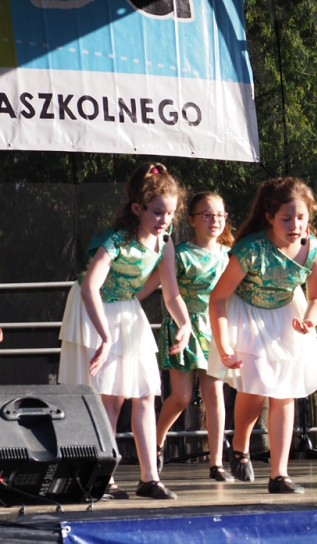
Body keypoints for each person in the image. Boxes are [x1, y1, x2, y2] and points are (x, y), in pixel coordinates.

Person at [58, 162, 191, 500]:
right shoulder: (116, 240)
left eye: (170, 213)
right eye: (157, 212)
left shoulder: (165, 243)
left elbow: (171, 293)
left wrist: (185, 323)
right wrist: (104, 337)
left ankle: (149, 478)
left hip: (126, 310)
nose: (164, 220)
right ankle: (103, 478)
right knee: (110, 398)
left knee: (145, 393)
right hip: (95, 311)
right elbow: (90, 288)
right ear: (137, 209)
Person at [207, 177, 317, 494]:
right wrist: (224, 344)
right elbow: (218, 298)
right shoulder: (251, 249)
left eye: (301, 217)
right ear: (270, 217)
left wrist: (310, 320)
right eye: (286, 218)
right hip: (248, 315)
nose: (295, 225)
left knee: (284, 392)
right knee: (256, 385)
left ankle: (279, 474)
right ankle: (240, 443)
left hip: (288, 316)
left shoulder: (313, 248)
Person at [138, 192, 234, 481]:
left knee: (214, 395)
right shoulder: (179, 254)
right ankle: (155, 443)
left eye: (220, 215)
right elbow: (153, 286)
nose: (214, 220)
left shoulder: (230, 256)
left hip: (215, 329)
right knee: (181, 396)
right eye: (207, 215)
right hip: (184, 328)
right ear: (192, 220)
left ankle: (216, 463)